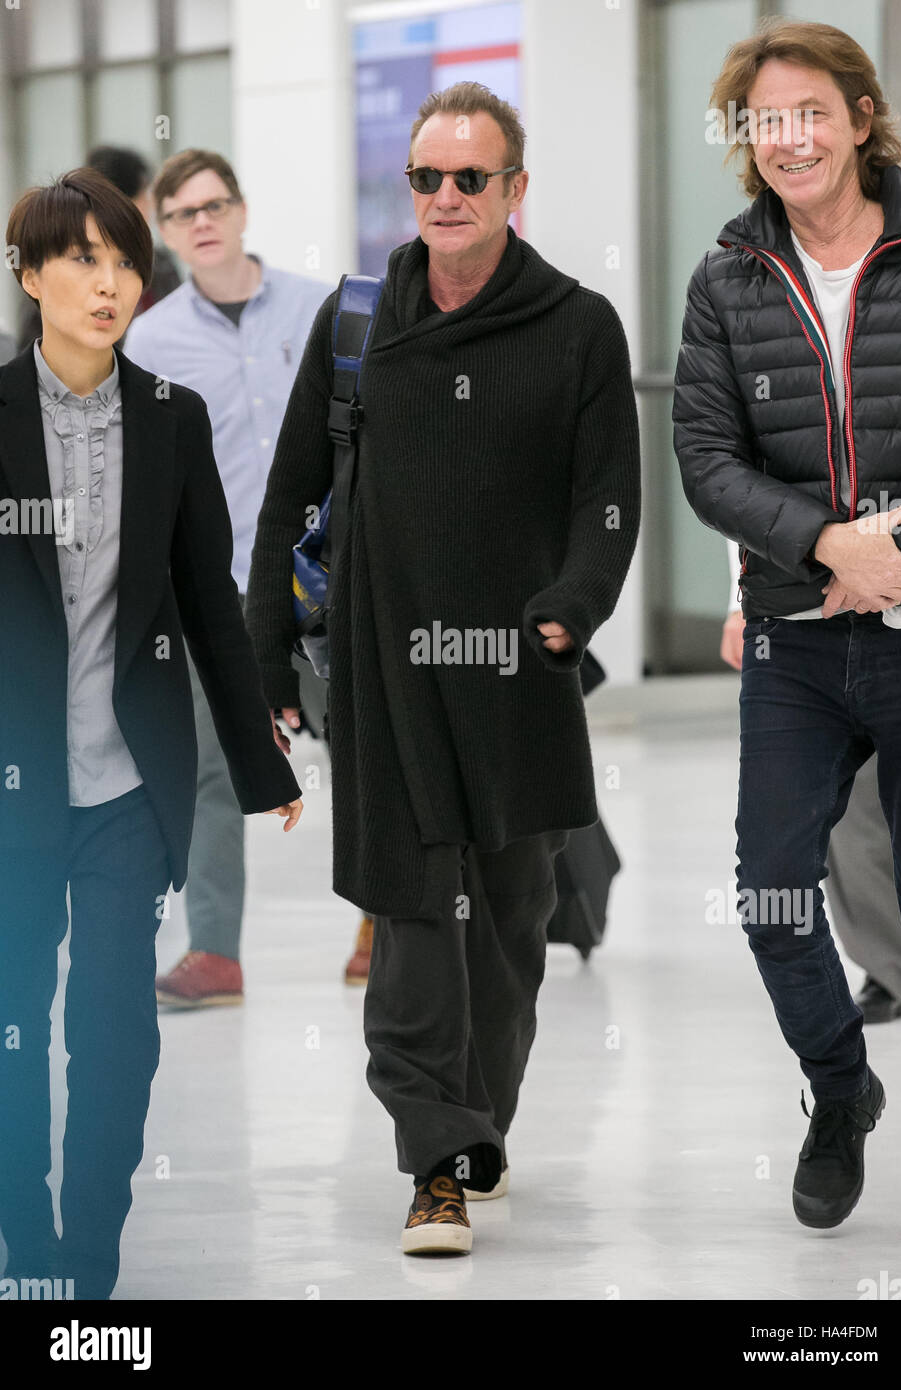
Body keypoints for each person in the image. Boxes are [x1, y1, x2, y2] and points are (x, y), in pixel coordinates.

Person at [246, 81, 640, 1255]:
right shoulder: (359, 321)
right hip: (385, 669)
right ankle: (433, 1165)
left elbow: (606, 501)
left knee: (510, 918)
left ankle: (476, 1124)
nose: (448, 196)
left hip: (519, 671)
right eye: (428, 177)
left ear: (515, 190)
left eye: (473, 177)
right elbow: (287, 495)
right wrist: (268, 644)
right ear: (408, 188)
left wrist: (570, 608)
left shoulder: (578, 325)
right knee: (416, 911)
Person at [0, 168, 303, 1299]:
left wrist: (262, 755)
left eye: (126, 260)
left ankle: (88, 1263)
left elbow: (207, 605)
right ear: (29, 276)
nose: (108, 281)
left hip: (129, 784)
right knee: (11, 1025)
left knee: (117, 1028)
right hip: (12, 784)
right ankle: (25, 1252)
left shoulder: (170, 422)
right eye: (78, 257)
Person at [674, 18, 901, 1239]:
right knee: (771, 891)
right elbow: (704, 459)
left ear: (860, 118)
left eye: (810, 113)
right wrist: (829, 546)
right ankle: (841, 1090)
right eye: (765, 120)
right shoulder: (726, 275)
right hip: (794, 639)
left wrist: (899, 558)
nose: (788, 139)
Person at [125, 149, 332, 1009]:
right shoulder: (151, 338)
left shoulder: (320, 308)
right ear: (166, 233)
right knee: (210, 769)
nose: (202, 223)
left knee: (364, 756)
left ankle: (383, 926)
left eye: (215, 205)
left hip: (324, 580)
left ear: (242, 211)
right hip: (214, 589)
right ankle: (214, 954)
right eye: (183, 214)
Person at [721, 540, 901, 1022]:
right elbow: (743, 487)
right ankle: (890, 968)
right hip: (815, 616)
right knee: (851, 817)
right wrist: (737, 598)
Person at [16, 145, 181, 352]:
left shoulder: (161, 265)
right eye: (86, 260)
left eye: (126, 264)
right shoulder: (51, 266)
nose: (109, 285)